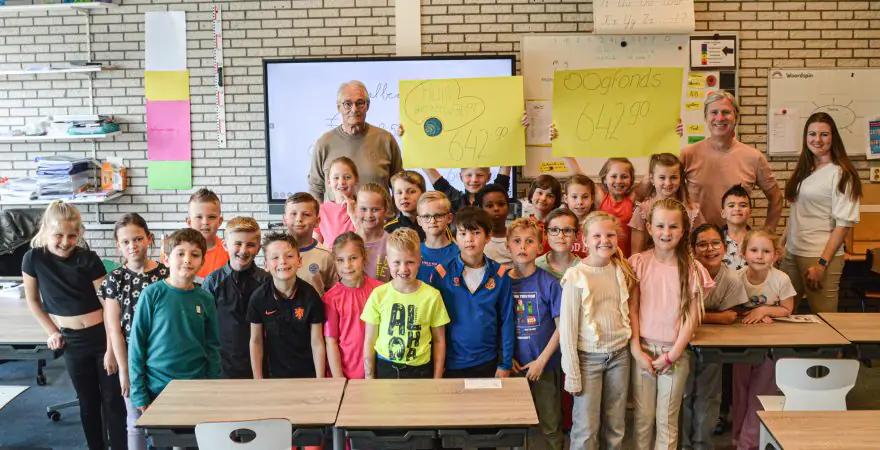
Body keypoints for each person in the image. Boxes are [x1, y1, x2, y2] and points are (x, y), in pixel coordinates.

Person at [22, 201, 127, 450]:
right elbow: (33, 300)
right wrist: (51, 331)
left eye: (72, 236)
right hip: (72, 341)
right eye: (58, 235)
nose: (65, 242)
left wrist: (111, 349)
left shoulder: (87, 259)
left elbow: (110, 306)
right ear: (45, 229)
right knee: (87, 402)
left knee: (113, 401)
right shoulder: (33, 259)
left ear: (79, 233)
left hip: (102, 338)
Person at [628, 198, 714, 449]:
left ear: (684, 230)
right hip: (643, 350)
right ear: (650, 228)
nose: (666, 232)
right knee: (643, 418)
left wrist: (673, 354)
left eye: (673, 226)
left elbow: (692, 316)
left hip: (674, 354)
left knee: (666, 418)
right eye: (660, 226)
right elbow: (632, 309)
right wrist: (636, 349)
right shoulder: (639, 263)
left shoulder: (692, 268)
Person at [644, 90, 783, 232]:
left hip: (735, 239)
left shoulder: (754, 157)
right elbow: (650, 186)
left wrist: (768, 232)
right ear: (706, 117)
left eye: (726, 112)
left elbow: (776, 198)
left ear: (736, 117)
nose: (720, 118)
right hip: (694, 239)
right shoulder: (687, 154)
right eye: (714, 112)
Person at [560, 211, 637, 450]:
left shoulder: (620, 269)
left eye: (610, 235)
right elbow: (567, 330)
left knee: (616, 425)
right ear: (584, 240)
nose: (604, 240)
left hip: (619, 356)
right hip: (587, 360)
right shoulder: (576, 276)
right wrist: (572, 373)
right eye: (597, 236)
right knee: (586, 428)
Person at [129, 228, 222, 412]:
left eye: (195, 255)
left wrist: (214, 385)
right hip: (158, 388)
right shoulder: (151, 294)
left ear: (202, 262)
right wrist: (138, 392)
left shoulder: (206, 299)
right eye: (180, 254)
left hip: (197, 387)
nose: (187, 260)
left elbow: (213, 346)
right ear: (166, 259)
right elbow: (136, 345)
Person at [780, 112, 861, 313]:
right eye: (812, 134)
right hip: (792, 254)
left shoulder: (842, 174)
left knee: (825, 318)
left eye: (824, 134)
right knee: (782, 313)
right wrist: (781, 246)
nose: (817, 139)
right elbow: (795, 214)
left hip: (819, 256)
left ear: (833, 138)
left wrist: (822, 264)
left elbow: (843, 226)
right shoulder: (806, 170)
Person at [102, 213, 168, 450]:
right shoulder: (115, 280)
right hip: (131, 356)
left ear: (149, 238)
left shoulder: (166, 275)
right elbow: (114, 328)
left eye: (138, 239)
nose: (133, 246)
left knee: (167, 419)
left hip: (162, 356)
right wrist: (124, 371)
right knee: (135, 421)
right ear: (118, 245)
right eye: (126, 241)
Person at [681, 224, 748, 450]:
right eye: (702, 244)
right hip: (681, 343)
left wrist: (701, 317)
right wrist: (716, 317)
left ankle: (702, 444)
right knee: (683, 394)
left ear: (724, 247)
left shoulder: (731, 279)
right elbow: (677, 314)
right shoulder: (683, 274)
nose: (709, 249)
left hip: (713, 346)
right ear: (692, 249)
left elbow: (731, 317)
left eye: (715, 243)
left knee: (708, 395)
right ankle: (683, 445)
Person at [430, 207, 515, 378]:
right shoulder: (442, 274)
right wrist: (437, 365)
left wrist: (505, 363)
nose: (469, 239)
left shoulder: (499, 275)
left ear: (488, 237)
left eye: (476, 233)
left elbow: (507, 321)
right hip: (451, 363)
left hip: (488, 361)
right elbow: (433, 325)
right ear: (455, 238)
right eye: (462, 234)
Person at [732, 228, 796, 450]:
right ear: (743, 253)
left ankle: (748, 443)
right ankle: (737, 436)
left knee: (760, 393)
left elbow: (787, 309)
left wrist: (765, 310)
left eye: (766, 251)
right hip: (741, 346)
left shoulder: (781, 279)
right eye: (754, 250)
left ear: (775, 255)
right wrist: (752, 314)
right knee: (740, 392)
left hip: (770, 347)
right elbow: (731, 308)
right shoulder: (736, 278)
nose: (759, 256)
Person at [362, 228, 450, 379]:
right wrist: (369, 376)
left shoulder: (432, 296)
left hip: (420, 370)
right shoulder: (378, 295)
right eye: (397, 262)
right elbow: (370, 341)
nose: (403, 269)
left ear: (419, 261)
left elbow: (439, 340)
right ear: (388, 261)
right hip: (385, 368)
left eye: (410, 262)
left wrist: (437, 378)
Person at [507, 218, 563, 450]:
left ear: (540, 247)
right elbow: (495, 324)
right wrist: (505, 357)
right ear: (508, 247)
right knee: (515, 425)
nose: (523, 246)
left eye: (529, 241)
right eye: (517, 241)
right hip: (513, 366)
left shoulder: (549, 283)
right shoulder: (501, 283)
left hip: (544, 367)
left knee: (550, 423)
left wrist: (541, 361)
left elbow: (561, 327)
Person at [308, 80, 403, 202]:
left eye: (360, 103)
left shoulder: (386, 140)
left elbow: (400, 186)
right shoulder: (324, 144)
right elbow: (316, 191)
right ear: (339, 107)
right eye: (347, 104)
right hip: (337, 215)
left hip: (380, 215)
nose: (354, 109)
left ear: (367, 106)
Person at [248, 232, 326, 379]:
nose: (283, 261)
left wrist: (320, 379)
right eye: (275, 257)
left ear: (299, 261)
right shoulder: (258, 298)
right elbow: (256, 341)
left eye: (289, 256)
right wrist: (258, 380)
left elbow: (317, 342)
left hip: (308, 375)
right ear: (266, 265)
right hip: (274, 376)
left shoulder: (311, 296)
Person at [202, 216, 270, 379]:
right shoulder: (212, 282)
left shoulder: (267, 282)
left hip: (261, 367)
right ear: (225, 245)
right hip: (223, 367)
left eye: (250, 245)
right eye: (238, 243)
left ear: (258, 248)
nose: (243, 250)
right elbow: (203, 327)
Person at [324, 232, 382, 379]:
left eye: (353, 258)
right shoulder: (331, 298)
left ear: (364, 257)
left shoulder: (380, 291)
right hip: (344, 375)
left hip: (376, 373)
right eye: (340, 260)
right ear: (334, 262)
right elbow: (331, 342)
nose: (347, 266)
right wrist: (339, 379)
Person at [630, 153, 705, 254]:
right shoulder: (642, 211)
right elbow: (636, 253)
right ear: (652, 179)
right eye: (662, 177)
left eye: (673, 177)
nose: (668, 183)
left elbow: (701, 245)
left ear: (680, 179)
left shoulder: (692, 211)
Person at [284, 192, 338, 296]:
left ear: (317, 221)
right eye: (293, 214)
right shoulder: (275, 253)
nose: (299, 219)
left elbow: (334, 295)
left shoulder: (327, 256)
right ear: (284, 220)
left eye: (306, 214)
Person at [186, 188, 229, 279]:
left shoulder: (229, 251)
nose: (205, 222)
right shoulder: (180, 253)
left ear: (220, 221)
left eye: (211, 217)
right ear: (189, 222)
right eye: (199, 217)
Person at [416, 191, 458, 282]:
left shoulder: (460, 254)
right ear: (419, 221)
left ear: (449, 218)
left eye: (438, 215)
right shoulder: (412, 252)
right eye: (426, 216)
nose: (432, 221)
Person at [316, 156, 359, 248]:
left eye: (347, 177)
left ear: (356, 179)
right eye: (336, 178)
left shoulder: (364, 208)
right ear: (328, 182)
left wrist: (353, 215)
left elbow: (368, 239)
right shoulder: (322, 210)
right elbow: (316, 244)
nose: (342, 182)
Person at [356, 182, 393, 282]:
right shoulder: (347, 243)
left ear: (385, 209)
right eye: (363, 209)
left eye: (375, 209)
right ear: (355, 208)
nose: (369, 215)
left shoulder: (392, 244)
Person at [536, 209, 581, 279]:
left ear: (577, 235)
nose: (560, 236)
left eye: (567, 230)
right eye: (554, 230)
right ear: (545, 234)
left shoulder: (584, 268)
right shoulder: (535, 266)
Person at [385, 170, 428, 241]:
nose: (404, 196)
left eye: (411, 192)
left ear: (423, 194)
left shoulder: (433, 224)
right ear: (393, 197)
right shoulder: (388, 230)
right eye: (399, 192)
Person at [479, 183, 513, 266]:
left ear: (508, 207)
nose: (496, 208)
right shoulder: (477, 240)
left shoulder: (518, 237)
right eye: (490, 206)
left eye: (501, 204)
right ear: (481, 210)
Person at [563, 174, 596, 258]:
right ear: (566, 199)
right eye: (574, 197)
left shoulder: (597, 225)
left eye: (585, 197)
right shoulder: (559, 224)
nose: (580, 202)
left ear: (592, 199)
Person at [720, 185, 752, 271]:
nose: (737, 209)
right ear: (723, 213)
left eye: (743, 205)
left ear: (750, 212)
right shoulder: (715, 242)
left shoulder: (758, 240)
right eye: (731, 206)